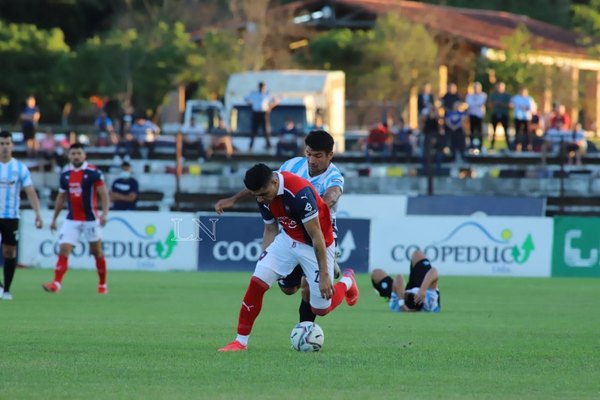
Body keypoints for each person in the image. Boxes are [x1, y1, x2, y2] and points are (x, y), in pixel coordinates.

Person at [218, 163, 359, 352]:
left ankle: (347, 282)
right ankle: (240, 342)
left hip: (317, 244)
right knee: (257, 281)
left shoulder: (299, 194)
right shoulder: (263, 195)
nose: (260, 199)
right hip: (288, 239)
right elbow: (270, 228)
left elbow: (316, 236)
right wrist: (264, 260)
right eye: (256, 195)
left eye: (263, 194)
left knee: (321, 309)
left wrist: (325, 273)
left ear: (275, 182)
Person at [215, 130, 344, 324]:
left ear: (329, 155)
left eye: (318, 156)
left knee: (308, 287)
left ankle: (307, 327)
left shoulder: (334, 177)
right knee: (287, 289)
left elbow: (331, 197)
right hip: (292, 231)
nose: (311, 160)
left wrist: (310, 205)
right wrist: (234, 199)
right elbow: (267, 181)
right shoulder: (292, 165)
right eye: (309, 154)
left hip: (319, 231)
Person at [42, 143, 110, 294]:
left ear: (84, 155)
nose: (76, 156)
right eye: (73, 153)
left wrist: (104, 213)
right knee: (64, 249)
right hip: (72, 219)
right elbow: (61, 198)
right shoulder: (65, 175)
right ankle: (56, 283)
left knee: (97, 252)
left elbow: (104, 194)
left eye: (79, 153)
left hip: (90, 219)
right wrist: (54, 219)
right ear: (69, 156)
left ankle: (102, 284)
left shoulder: (93, 173)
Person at [0, 131, 44, 300]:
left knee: (9, 253)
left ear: (12, 145)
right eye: (1, 143)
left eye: (7, 143)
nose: (4, 147)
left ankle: (7, 289)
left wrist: (38, 213)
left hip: (11, 216)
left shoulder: (19, 168)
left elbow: (30, 192)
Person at [371, 250, 440, 312]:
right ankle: (419, 290)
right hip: (421, 290)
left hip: (399, 295)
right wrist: (423, 289)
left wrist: (401, 300)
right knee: (417, 254)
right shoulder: (430, 302)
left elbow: (399, 277)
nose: (409, 291)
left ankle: (391, 294)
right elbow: (434, 271)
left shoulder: (396, 306)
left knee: (376, 274)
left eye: (406, 294)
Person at [245, 82, 279, 151]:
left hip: (264, 113)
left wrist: (270, 107)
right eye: (261, 87)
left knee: (266, 129)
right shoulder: (254, 94)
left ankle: (269, 145)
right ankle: (251, 145)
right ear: (259, 87)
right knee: (254, 129)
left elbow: (276, 101)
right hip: (256, 113)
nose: (262, 88)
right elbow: (246, 99)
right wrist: (252, 105)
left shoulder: (267, 94)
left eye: (263, 87)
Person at [488, 82, 512, 150]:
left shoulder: (507, 95)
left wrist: (501, 104)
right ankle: (492, 146)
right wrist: (496, 104)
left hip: (504, 114)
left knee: (506, 131)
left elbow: (510, 105)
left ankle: (508, 146)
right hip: (495, 114)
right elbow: (490, 104)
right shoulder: (493, 95)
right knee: (493, 131)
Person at [465, 82, 487, 151]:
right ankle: (471, 145)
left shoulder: (483, 95)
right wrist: (475, 104)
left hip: (479, 115)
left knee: (480, 131)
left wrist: (474, 104)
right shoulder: (469, 96)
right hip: (472, 115)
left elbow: (480, 103)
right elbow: (469, 104)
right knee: (472, 131)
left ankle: (480, 145)